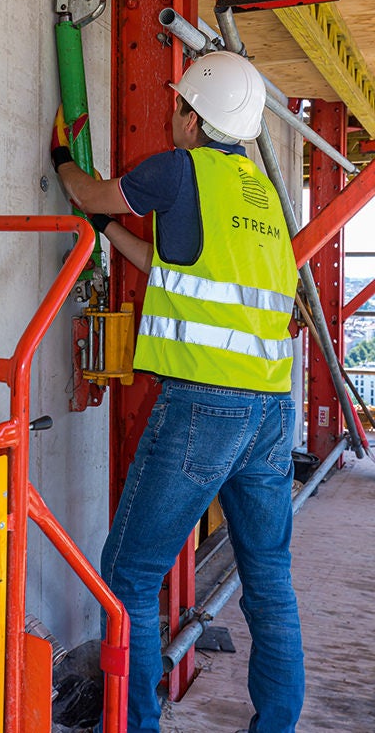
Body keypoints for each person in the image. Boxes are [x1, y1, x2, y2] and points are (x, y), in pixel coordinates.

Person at [50, 50, 304, 733]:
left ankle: (134, 724)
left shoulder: (178, 169)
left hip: (204, 408)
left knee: (129, 574)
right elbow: (173, 268)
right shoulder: (264, 199)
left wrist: (63, 158)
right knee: (269, 580)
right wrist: (110, 233)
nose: (173, 117)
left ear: (193, 117)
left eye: (179, 107)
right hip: (270, 411)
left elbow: (88, 192)